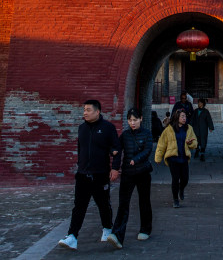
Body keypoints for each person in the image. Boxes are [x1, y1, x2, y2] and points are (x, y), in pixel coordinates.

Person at [58, 100, 120, 251]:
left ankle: (107, 228)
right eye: (84, 110)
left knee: (104, 204)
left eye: (88, 110)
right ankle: (72, 236)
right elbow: (81, 150)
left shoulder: (108, 128)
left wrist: (115, 168)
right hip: (83, 175)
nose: (84, 113)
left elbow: (116, 149)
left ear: (97, 111)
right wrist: (81, 167)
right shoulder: (82, 128)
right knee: (79, 206)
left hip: (100, 174)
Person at [106, 108, 154, 250]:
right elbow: (117, 149)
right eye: (130, 120)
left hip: (143, 172)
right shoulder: (125, 135)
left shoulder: (147, 134)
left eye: (135, 120)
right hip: (128, 173)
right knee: (123, 204)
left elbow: (147, 150)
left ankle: (145, 229)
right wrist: (112, 152)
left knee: (144, 201)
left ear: (141, 119)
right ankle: (117, 234)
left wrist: (136, 159)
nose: (132, 123)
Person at [154, 109, 197, 208]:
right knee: (175, 179)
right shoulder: (169, 129)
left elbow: (195, 143)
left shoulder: (189, 128)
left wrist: (191, 143)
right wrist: (158, 157)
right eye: (182, 116)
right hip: (173, 158)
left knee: (185, 178)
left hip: (184, 157)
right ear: (177, 117)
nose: (184, 118)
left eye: (185, 116)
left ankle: (181, 189)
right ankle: (175, 200)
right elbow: (161, 144)